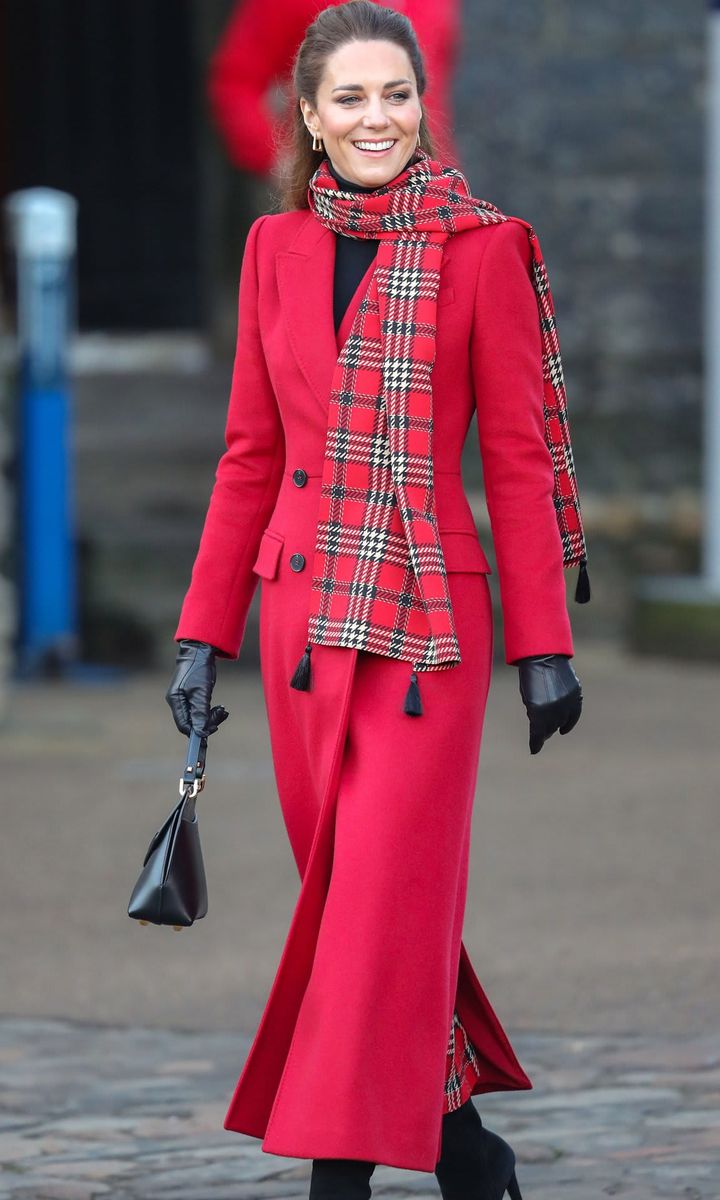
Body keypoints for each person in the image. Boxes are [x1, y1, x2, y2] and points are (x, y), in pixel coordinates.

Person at [166, 3, 587, 1197]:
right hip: (302, 628)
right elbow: (250, 456)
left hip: (428, 640)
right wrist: (205, 635)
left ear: (422, 102)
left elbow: (514, 458)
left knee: (368, 915)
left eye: (394, 94)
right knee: (370, 915)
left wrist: (541, 647)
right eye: (348, 98)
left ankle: (335, 1179)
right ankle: (467, 1150)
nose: (376, 118)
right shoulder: (273, 252)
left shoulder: (487, 249)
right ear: (306, 115)